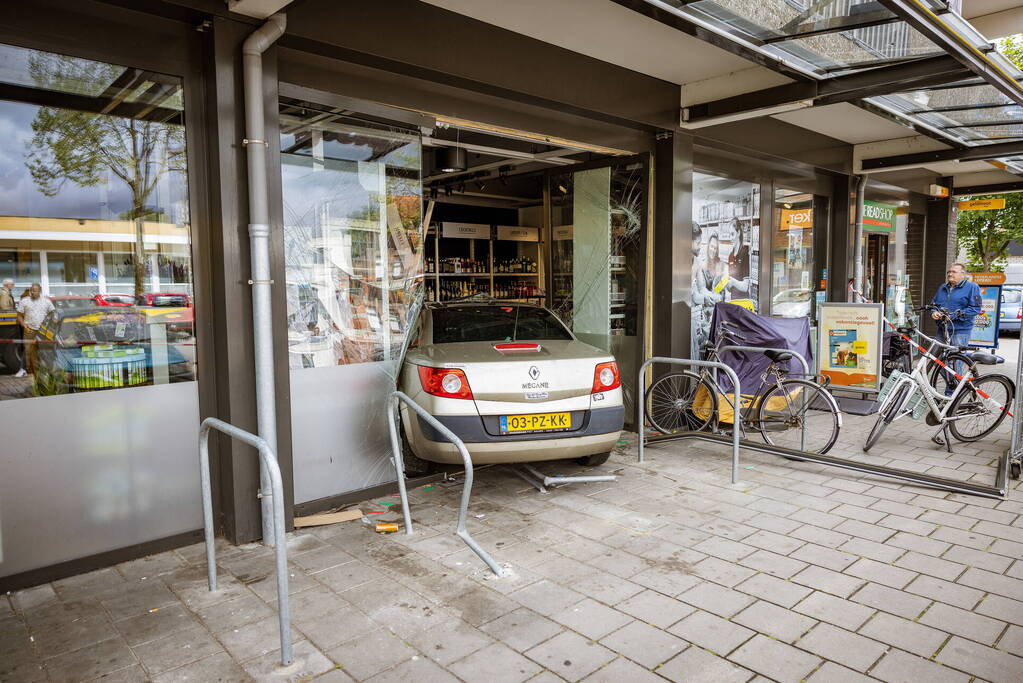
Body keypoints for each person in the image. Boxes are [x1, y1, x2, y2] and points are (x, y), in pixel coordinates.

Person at [930, 263, 981, 395]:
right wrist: (934, 312)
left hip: (960, 330)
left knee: (956, 362)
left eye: (953, 272)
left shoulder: (972, 287)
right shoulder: (943, 287)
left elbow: (975, 309)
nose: (950, 274)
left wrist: (955, 315)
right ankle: (954, 385)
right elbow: (933, 304)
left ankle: (952, 394)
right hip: (942, 329)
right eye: (949, 272)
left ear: (963, 274)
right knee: (935, 359)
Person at [16, 283, 54, 377]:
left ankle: (45, 372)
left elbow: (53, 314)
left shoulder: (46, 301)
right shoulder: (24, 301)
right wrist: (24, 325)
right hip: (30, 330)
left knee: (44, 352)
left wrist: (49, 326)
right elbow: (19, 316)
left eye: (35, 290)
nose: (32, 292)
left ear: (39, 291)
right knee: (29, 352)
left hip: (43, 331)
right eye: (31, 290)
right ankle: (29, 372)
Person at [0, 278, 21, 375]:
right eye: (12, 284)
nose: (13, 285)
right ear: (6, 285)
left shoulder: (6, 293)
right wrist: (14, 312)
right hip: (6, 322)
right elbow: (5, 308)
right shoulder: (4, 294)